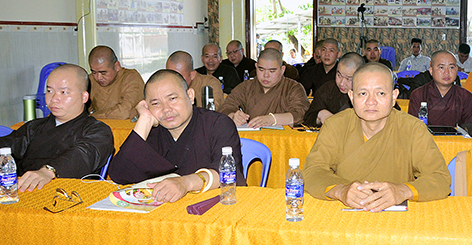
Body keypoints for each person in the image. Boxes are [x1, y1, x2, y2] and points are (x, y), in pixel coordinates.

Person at [302, 63, 451, 212]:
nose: (371, 102)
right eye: (363, 93)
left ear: (394, 96)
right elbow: (312, 172)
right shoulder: (335, 125)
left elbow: (440, 178)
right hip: (345, 212)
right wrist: (341, 191)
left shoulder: (412, 128)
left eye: (380, 93)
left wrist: (402, 191)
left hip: (397, 216)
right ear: (351, 96)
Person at [108, 69, 245, 202]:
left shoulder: (218, 124)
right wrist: (144, 120)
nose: (166, 109)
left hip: (210, 206)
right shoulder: (151, 131)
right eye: (155, 103)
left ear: (190, 96)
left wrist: (185, 183)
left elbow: (227, 173)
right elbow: (119, 174)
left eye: (172, 99)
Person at [0, 64, 114, 192]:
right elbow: (8, 144)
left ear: (84, 97)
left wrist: (49, 171)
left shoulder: (98, 131)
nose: (54, 99)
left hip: (69, 196)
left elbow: (82, 155)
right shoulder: (34, 127)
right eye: (50, 91)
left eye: (63, 92)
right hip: (24, 191)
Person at [219, 48, 309, 127]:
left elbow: (301, 114)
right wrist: (233, 116)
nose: (266, 75)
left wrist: (272, 119)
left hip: (282, 139)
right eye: (261, 69)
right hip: (250, 138)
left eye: (272, 71)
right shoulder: (246, 87)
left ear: (282, 70)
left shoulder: (293, 88)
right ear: (256, 67)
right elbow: (226, 107)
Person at [408, 51, 472, 126]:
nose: (446, 73)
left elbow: (470, 129)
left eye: (451, 67)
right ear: (431, 70)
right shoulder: (419, 94)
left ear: (456, 69)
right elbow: (413, 128)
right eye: (441, 67)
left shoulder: (465, 97)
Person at [303, 53, 364, 127]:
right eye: (339, 75)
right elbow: (307, 117)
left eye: (348, 79)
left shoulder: (367, 95)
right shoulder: (327, 89)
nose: (342, 83)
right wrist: (320, 114)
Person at [88, 45, 144, 120]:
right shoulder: (90, 80)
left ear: (117, 66)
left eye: (103, 73)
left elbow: (125, 112)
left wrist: (93, 116)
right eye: (94, 72)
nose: (98, 77)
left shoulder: (131, 77)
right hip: (97, 125)